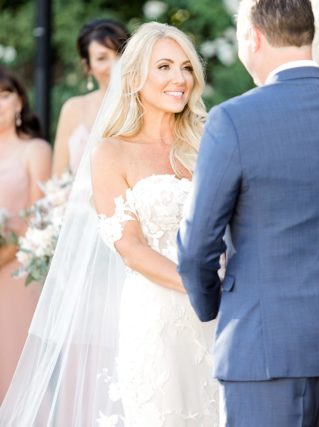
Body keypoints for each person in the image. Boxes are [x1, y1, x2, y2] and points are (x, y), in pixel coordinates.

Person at [0, 23, 218, 426]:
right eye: (165, 66)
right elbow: (130, 247)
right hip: (160, 314)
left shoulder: (209, 144)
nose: (180, 79)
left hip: (221, 315)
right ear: (135, 78)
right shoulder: (111, 153)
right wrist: (205, 286)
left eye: (186, 67)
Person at [177, 0, 319, 427]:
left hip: (264, 347)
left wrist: (214, 308)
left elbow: (195, 248)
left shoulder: (233, 120)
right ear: (310, 34)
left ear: (253, 37)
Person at [0, 67, 52, 403]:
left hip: (16, 273)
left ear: (19, 100)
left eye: (4, 95)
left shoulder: (35, 149)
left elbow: (39, 221)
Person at [52, 18, 129, 176]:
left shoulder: (148, 105)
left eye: (119, 54)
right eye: (102, 58)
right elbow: (57, 177)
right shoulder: (73, 108)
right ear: (88, 66)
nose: (114, 65)